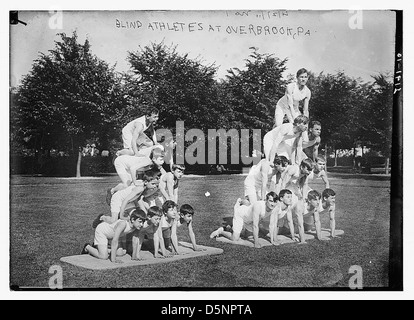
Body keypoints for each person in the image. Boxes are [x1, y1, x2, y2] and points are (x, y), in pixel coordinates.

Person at [209, 192, 280, 248]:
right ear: (266, 200)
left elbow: (273, 225)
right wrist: (256, 243)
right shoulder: (258, 206)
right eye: (270, 201)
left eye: (274, 202)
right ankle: (221, 231)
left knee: (248, 237)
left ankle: (231, 228)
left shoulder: (275, 207)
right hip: (240, 215)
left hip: (250, 220)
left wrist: (274, 240)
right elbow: (255, 226)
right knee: (235, 238)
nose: (272, 204)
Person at [95, 170, 162, 227]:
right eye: (153, 184)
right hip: (118, 199)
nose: (154, 187)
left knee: (135, 217)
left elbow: (139, 200)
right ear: (146, 182)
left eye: (156, 185)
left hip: (129, 202)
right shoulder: (140, 188)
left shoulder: (143, 187)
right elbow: (125, 200)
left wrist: (146, 213)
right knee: (113, 220)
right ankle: (102, 217)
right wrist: (121, 215)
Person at [81, 210, 146, 263]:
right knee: (104, 256)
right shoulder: (123, 224)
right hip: (102, 231)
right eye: (140, 222)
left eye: (143, 222)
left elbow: (135, 239)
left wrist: (134, 255)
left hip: (111, 236)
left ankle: (101, 248)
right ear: (132, 220)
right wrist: (113, 259)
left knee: (121, 253)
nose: (141, 224)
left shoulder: (136, 227)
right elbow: (114, 241)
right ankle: (87, 247)